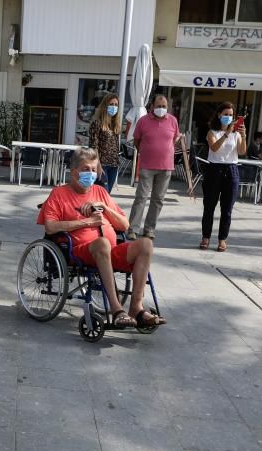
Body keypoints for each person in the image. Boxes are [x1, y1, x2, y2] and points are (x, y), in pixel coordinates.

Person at [38, 148, 165, 329]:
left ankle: (136, 308)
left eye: (93, 169)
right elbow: (50, 227)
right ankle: (116, 309)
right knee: (102, 244)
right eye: (86, 169)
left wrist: (105, 208)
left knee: (145, 244)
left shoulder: (100, 192)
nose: (91, 173)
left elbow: (124, 225)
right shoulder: (59, 194)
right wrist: (87, 223)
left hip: (109, 250)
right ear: (74, 172)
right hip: (80, 251)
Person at [128, 93, 181, 240]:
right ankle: (133, 228)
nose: (161, 109)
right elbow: (137, 141)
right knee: (141, 197)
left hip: (166, 167)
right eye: (159, 106)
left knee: (158, 200)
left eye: (164, 106)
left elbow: (174, 139)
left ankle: (149, 229)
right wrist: (148, 151)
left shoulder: (173, 121)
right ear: (152, 106)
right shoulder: (143, 121)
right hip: (147, 165)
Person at [200, 102, 246, 253]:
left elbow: (241, 151)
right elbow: (214, 147)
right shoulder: (212, 132)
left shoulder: (236, 134)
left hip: (231, 169)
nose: (228, 117)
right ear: (219, 115)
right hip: (214, 169)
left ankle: (222, 240)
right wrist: (226, 133)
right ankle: (205, 237)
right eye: (225, 114)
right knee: (209, 206)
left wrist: (243, 136)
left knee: (227, 209)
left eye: (231, 115)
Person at [88, 92, 122, 193]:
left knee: (106, 196)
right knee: (102, 194)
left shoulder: (114, 125)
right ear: (105, 106)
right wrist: (98, 165)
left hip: (113, 165)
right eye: (111, 104)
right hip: (101, 165)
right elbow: (93, 146)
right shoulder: (97, 123)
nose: (114, 107)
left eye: (116, 105)